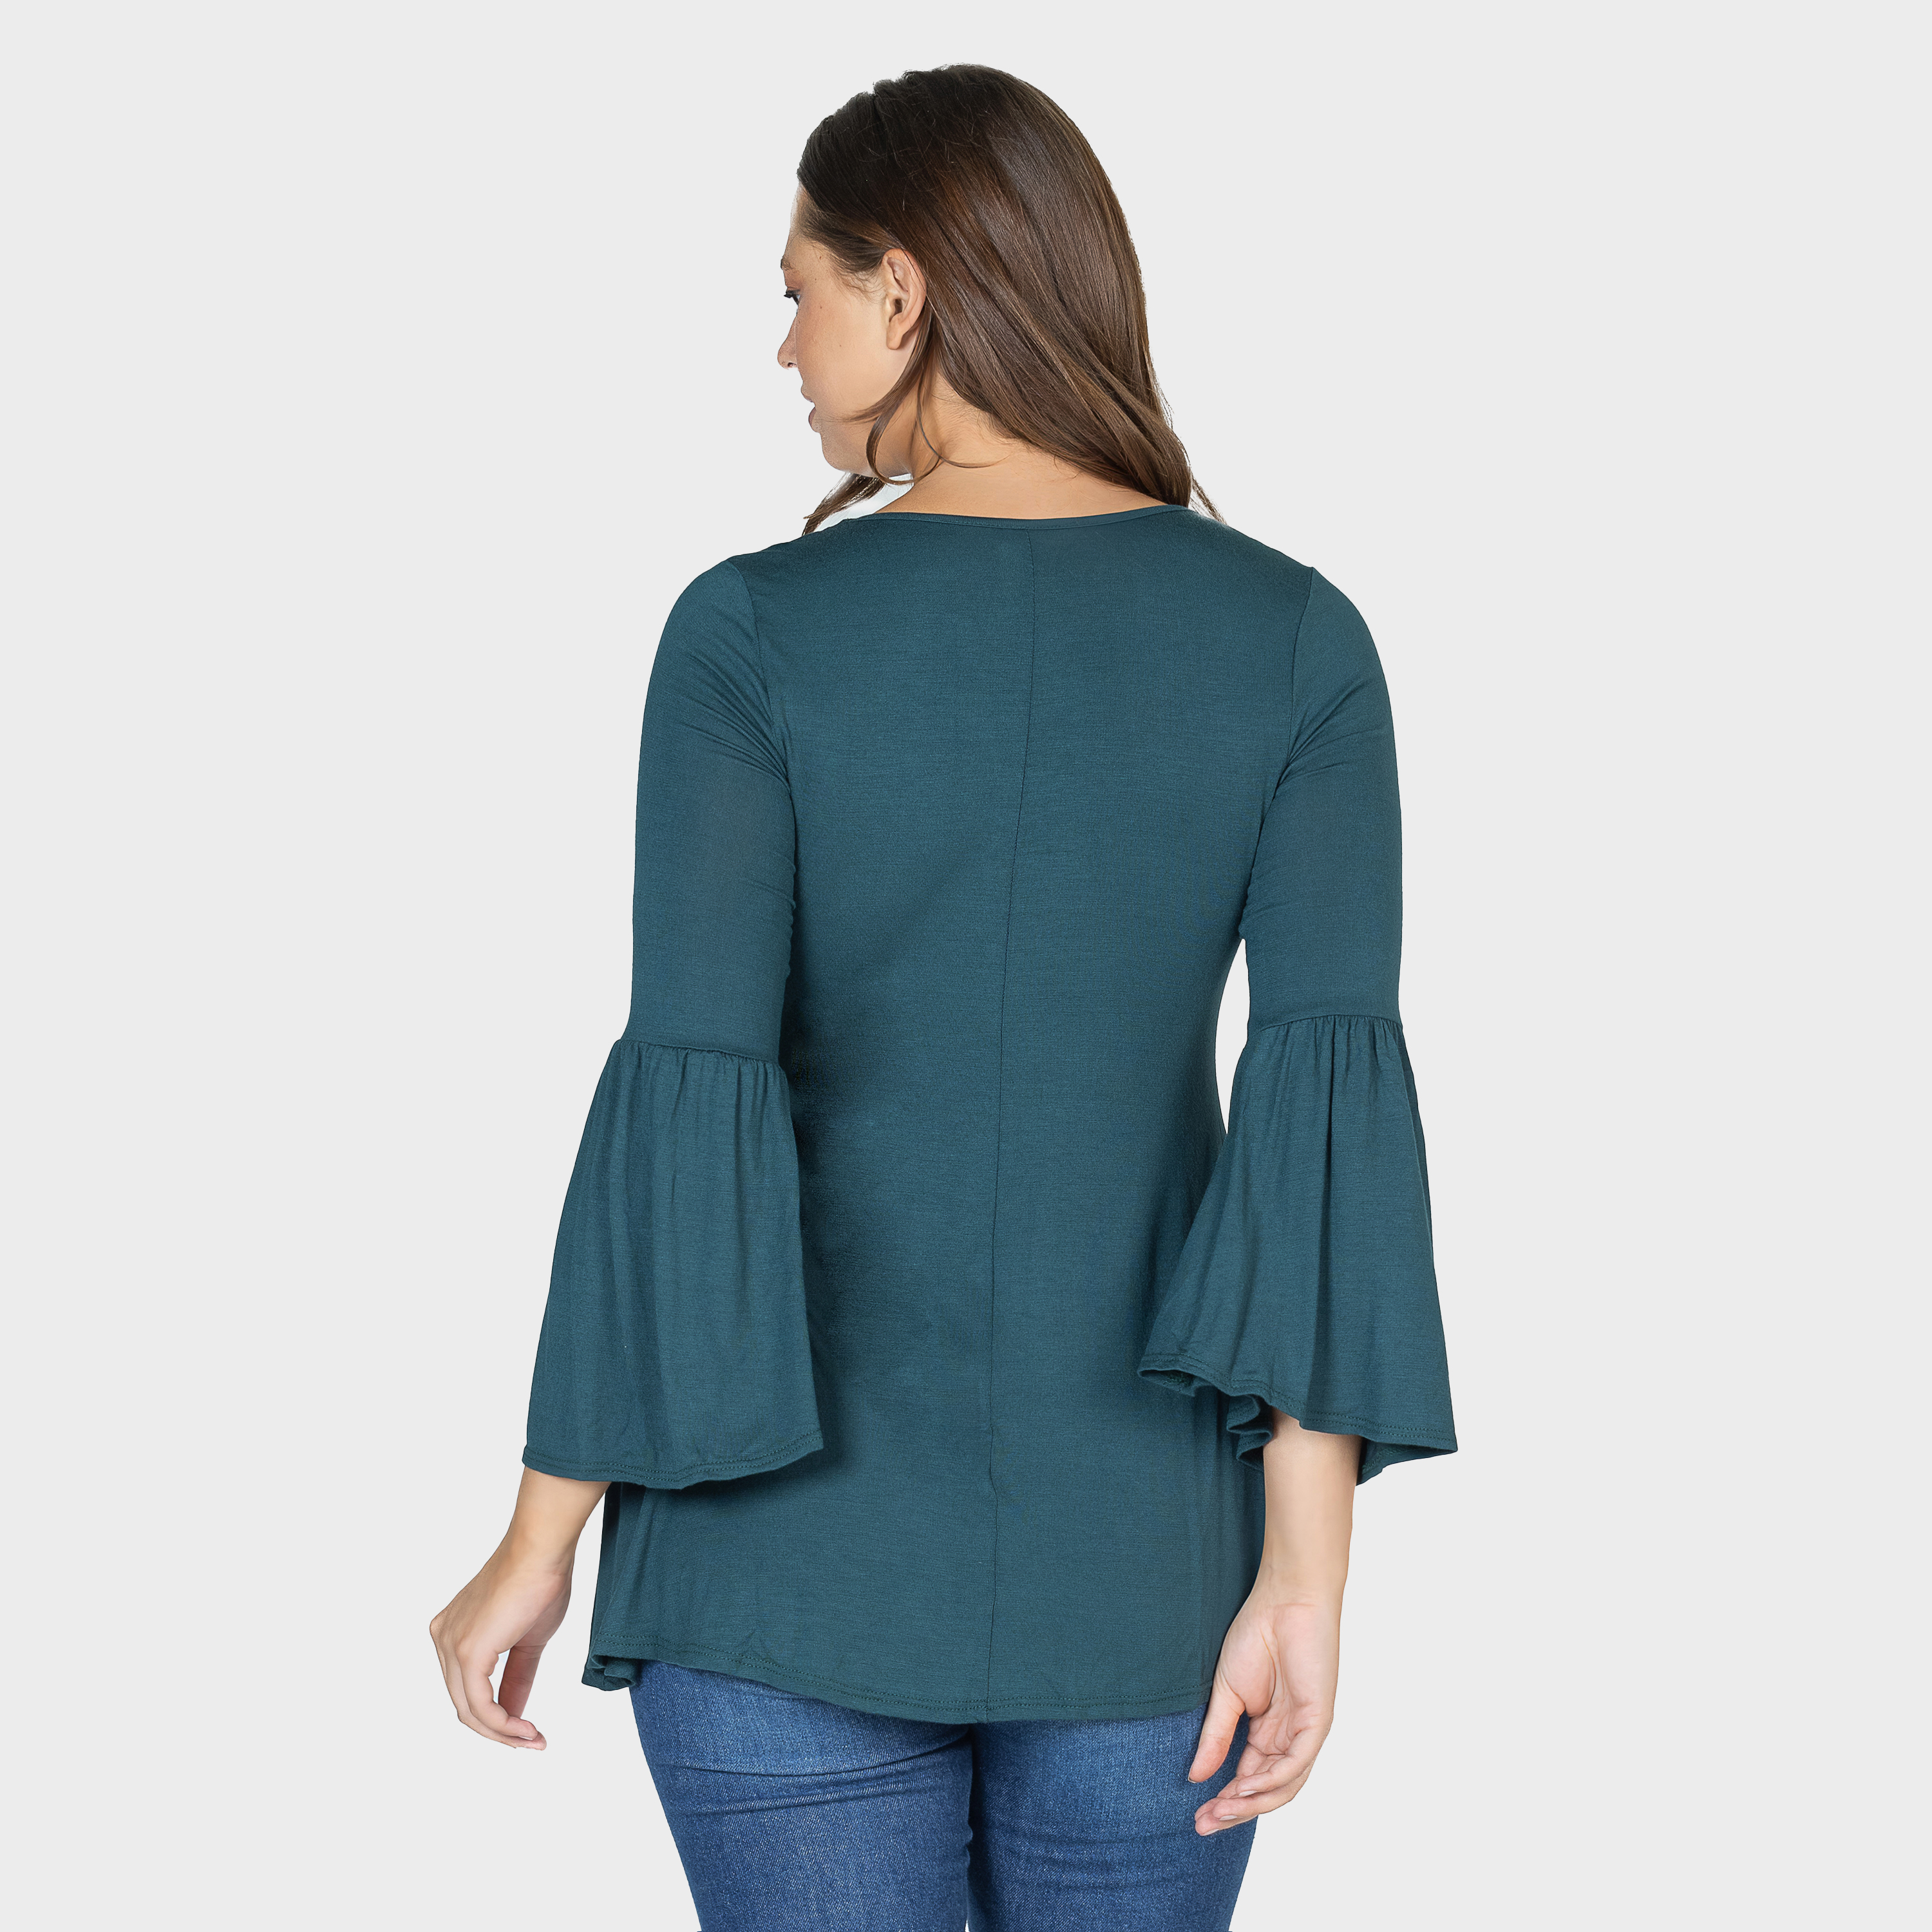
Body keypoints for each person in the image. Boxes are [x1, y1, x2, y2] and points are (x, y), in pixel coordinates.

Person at [431, 63, 1455, 1932]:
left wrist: (538, 1534)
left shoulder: (749, 633)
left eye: (798, 291)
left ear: (901, 288)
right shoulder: (1301, 642)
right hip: (1148, 1573)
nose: (783, 348)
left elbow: (688, 1092)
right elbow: (1318, 1118)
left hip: (774, 1555)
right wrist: (1306, 1579)